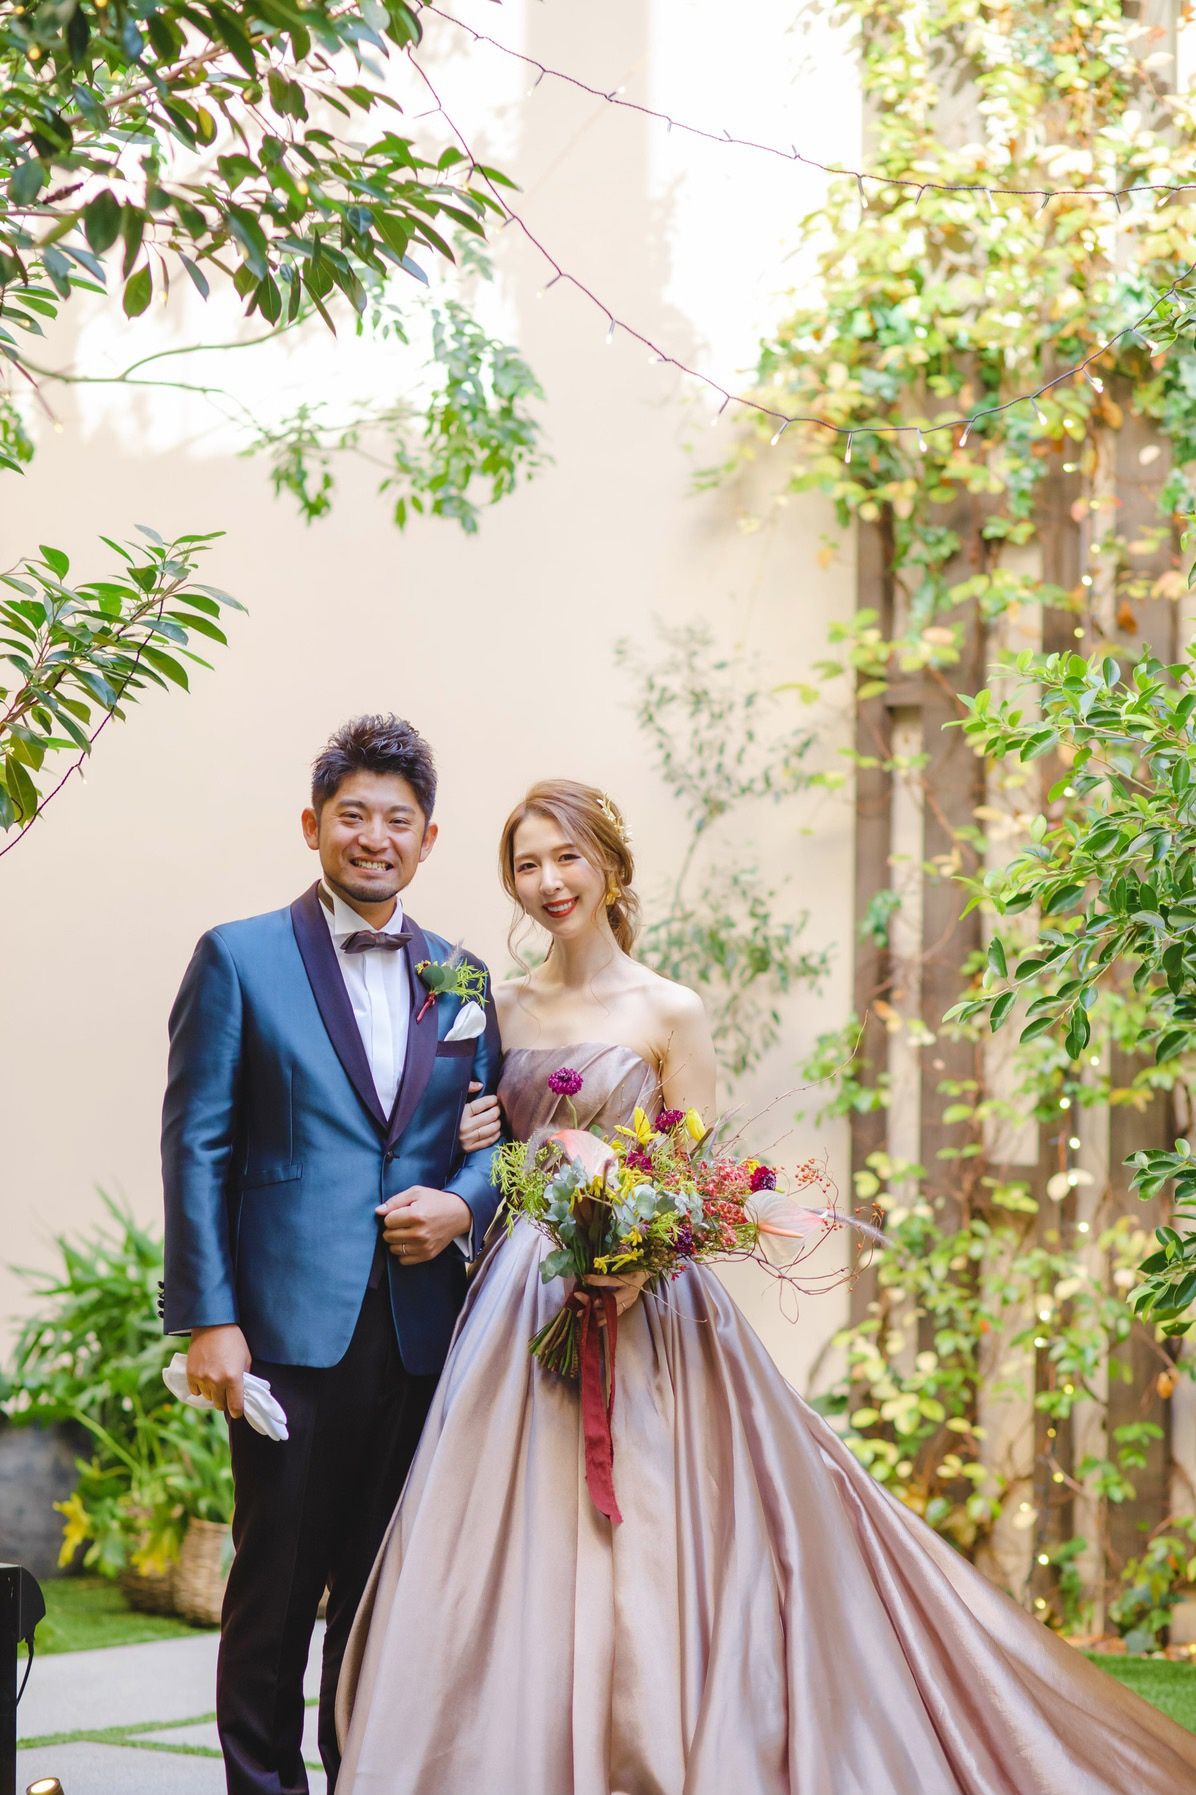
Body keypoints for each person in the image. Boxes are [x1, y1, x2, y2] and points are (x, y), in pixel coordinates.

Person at [334, 776, 1196, 1795]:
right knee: (501, 1540)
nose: (549, 880)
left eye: (567, 857)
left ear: (609, 865)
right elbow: (480, 1144)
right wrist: (482, 1135)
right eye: (527, 863)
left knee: (655, 1539)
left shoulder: (670, 1009)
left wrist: (632, 1261)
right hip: (516, 1308)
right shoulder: (499, 1005)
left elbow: (694, 1176)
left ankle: (651, 1739)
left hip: (643, 1307)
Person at [160, 715, 502, 1795]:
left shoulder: (461, 977)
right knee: (275, 1589)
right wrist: (209, 1320)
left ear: (428, 839)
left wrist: (460, 1205)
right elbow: (197, 1144)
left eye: (397, 820)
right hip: (285, 1331)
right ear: (312, 826)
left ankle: (365, 1776)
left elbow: (494, 1141)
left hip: (418, 1332)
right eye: (352, 814)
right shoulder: (238, 957)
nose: (374, 837)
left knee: (381, 1593)